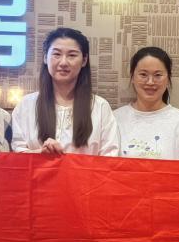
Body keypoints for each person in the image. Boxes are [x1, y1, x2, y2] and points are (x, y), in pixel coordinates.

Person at [11, 27, 120, 156]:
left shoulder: (100, 107)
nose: (63, 62)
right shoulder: (26, 105)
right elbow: (16, 154)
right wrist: (40, 154)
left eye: (72, 55)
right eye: (56, 54)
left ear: (84, 60)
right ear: (45, 58)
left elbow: (110, 157)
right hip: (37, 170)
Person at [114, 46, 179, 160]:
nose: (150, 82)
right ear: (132, 77)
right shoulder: (115, 119)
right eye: (143, 74)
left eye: (158, 75)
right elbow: (106, 165)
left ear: (168, 79)